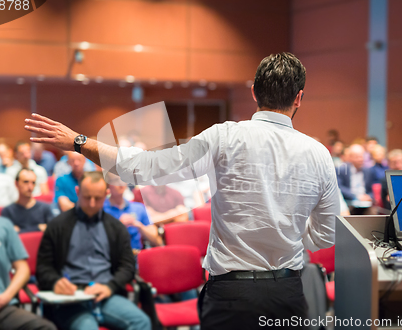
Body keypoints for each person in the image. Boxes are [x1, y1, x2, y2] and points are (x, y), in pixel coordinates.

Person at [25, 52, 339, 330]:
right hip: (287, 292)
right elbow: (326, 235)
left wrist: (80, 143)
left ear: (255, 92)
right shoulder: (319, 154)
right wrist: (290, 236)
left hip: (231, 295)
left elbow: (144, 168)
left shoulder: (225, 137)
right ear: (298, 98)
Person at [36, 171, 150, 330]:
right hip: (71, 298)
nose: (91, 204)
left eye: (97, 199)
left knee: (141, 322)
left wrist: (110, 286)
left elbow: (127, 266)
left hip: (105, 294)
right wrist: (55, 282)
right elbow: (43, 267)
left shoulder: (116, 228)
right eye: (86, 197)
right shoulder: (57, 225)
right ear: (77, 192)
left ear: (107, 194)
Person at [0, 167, 56, 330]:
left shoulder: (2, 224)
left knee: (46, 328)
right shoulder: (8, 213)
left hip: (1, 307)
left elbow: (22, 268)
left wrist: (4, 298)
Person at [104, 175, 162, 252]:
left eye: (122, 179)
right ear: (108, 185)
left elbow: (157, 241)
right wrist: (119, 226)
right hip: (114, 256)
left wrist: (139, 226)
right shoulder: (102, 209)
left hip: (138, 256)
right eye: (115, 180)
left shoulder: (138, 207)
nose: (120, 183)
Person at [1, 168, 54, 233]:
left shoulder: (45, 208)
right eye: (26, 182)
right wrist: (38, 228)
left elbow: (53, 231)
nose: (30, 186)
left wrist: (19, 231)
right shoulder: (8, 211)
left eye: (33, 183)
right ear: (16, 184)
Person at [336, 144, 377, 214]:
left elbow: (370, 190)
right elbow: (340, 188)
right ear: (350, 158)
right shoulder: (342, 170)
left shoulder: (368, 171)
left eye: (362, 156)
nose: (360, 159)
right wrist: (356, 196)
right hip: (349, 202)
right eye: (357, 157)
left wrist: (368, 197)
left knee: (373, 212)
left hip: (365, 204)